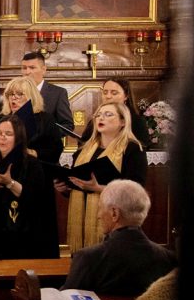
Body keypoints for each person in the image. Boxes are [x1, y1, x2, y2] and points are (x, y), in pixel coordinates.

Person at [57, 101, 147, 252]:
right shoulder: (84, 149)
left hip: (116, 219)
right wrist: (65, 187)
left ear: (123, 121)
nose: (101, 118)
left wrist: (99, 188)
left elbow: (136, 191)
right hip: (82, 219)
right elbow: (78, 183)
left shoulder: (132, 149)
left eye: (108, 114)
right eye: (98, 115)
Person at [61, 179, 175, 296]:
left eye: (100, 208)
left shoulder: (88, 258)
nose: (98, 215)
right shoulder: (168, 258)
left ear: (114, 213)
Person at [0, 115, 57, 259]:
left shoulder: (31, 163)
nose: (2, 137)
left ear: (18, 137)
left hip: (20, 233)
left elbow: (34, 197)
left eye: (8, 134)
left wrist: (9, 183)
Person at [0, 76, 64, 165]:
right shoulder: (1, 119)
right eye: (11, 94)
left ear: (31, 97)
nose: (13, 98)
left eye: (19, 94)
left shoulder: (45, 119)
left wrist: (33, 153)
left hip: (36, 168)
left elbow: (55, 151)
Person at [78, 78, 151, 148]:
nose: (108, 96)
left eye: (114, 93)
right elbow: (82, 145)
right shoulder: (96, 119)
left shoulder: (136, 121)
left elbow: (142, 146)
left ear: (126, 96)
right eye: (105, 92)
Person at [21, 51, 74, 131]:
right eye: (24, 68)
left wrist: (45, 135)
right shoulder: (14, 92)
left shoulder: (58, 93)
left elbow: (67, 125)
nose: (27, 72)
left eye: (32, 68)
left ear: (43, 70)